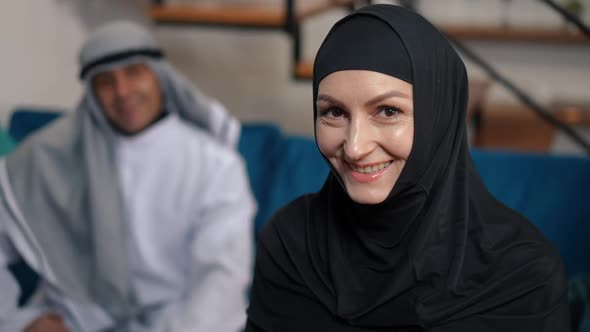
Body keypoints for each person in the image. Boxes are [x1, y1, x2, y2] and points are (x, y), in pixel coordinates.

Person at [245, 5, 570, 332]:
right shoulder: (290, 243)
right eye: (334, 112)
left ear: (439, 116)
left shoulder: (522, 276)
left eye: (387, 111)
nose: (355, 147)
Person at [0, 21, 256, 331]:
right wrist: (20, 321)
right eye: (106, 81)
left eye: (134, 73)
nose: (122, 92)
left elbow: (222, 279)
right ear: (91, 92)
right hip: (74, 319)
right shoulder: (47, 157)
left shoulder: (213, 163)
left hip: (175, 322)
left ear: (159, 75)